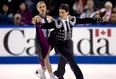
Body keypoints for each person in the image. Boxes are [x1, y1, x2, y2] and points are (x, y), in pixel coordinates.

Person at [39, 4, 103, 79]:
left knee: (63, 59)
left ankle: (59, 73)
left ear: (67, 12)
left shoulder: (72, 21)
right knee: (70, 58)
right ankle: (80, 77)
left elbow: (85, 20)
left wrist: (99, 19)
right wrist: (38, 23)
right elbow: (45, 26)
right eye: (60, 12)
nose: (61, 14)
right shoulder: (57, 23)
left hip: (69, 43)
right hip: (60, 45)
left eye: (63, 12)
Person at [31, 1, 57, 79]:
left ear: (46, 7)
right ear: (37, 9)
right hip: (40, 41)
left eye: (43, 6)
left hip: (48, 40)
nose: (42, 8)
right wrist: (35, 21)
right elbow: (33, 22)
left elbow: (58, 24)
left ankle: (41, 70)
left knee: (46, 59)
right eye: (40, 7)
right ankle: (52, 75)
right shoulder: (36, 18)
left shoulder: (50, 18)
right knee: (46, 58)